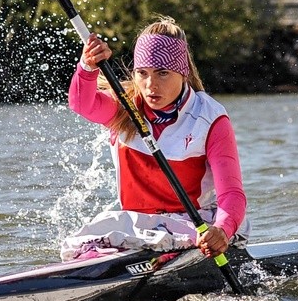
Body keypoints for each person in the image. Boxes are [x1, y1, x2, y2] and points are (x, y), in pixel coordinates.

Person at [60, 15, 248, 262]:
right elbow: (81, 104)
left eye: (162, 73)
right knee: (80, 249)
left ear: (182, 73)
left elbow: (231, 194)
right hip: (139, 225)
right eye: (142, 73)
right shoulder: (124, 106)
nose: (150, 85)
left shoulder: (210, 119)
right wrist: (87, 67)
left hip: (197, 225)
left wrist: (222, 230)